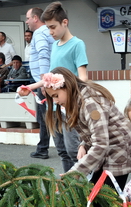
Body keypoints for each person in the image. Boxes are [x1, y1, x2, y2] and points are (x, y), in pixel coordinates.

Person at [19, 68, 131, 191]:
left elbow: (101, 143)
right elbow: (95, 131)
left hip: (119, 151)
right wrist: (84, 145)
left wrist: (75, 173)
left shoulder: (90, 104)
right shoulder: (76, 101)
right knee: (93, 191)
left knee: (107, 197)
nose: (55, 101)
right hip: (107, 149)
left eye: (56, 95)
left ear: (67, 86)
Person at [40, 1, 87, 172]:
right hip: (53, 106)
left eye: (53, 27)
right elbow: (51, 78)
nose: (50, 32)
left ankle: (79, 187)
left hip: (69, 106)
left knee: (74, 150)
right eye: (48, 28)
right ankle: (69, 187)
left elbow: (83, 76)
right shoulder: (54, 46)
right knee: (61, 150)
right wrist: (29, 87)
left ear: (64, 23)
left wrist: (77, 92)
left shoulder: (77, 44)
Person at [26, 7, 55, 160]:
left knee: (45, 118)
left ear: (36, 18)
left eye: (28, 18)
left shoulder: (40, 33)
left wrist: (43, 82)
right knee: (47, 117)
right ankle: (43, 147)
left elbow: (44, 54)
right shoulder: (46, 32)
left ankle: (43, 148)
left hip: (43, 83)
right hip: (45, 81)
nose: (27, 21)